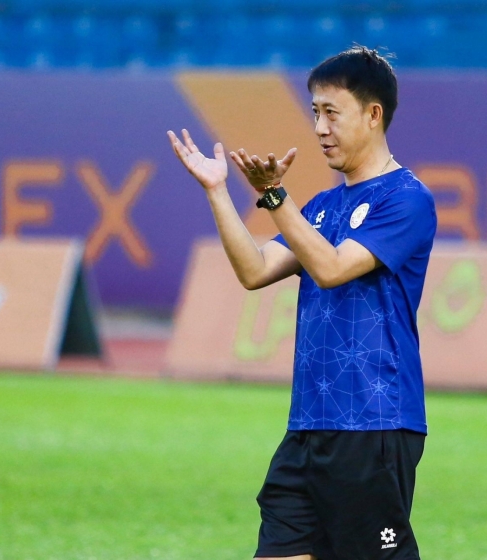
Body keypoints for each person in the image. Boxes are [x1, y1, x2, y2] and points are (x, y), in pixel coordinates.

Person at [168, 46, 437, 560]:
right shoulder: (322, 206)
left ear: (373, 114)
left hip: (373, 423)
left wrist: (275, 196)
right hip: (309, 425)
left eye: (331, 113)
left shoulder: (406, 199)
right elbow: (254, 271)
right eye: (314, 112)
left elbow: (332, 268)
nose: (319, 128)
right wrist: (218, 191)